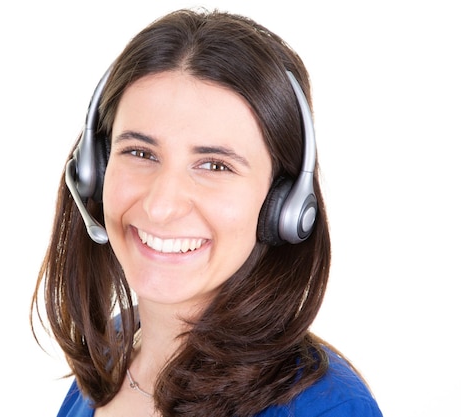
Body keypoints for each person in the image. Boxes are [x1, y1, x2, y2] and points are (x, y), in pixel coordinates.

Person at [31, 8, 383, 417]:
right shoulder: (112, 350)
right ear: (95, 171)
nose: (161, 206)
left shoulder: (325, 408)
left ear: (283, 204)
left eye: (215, 165)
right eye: (140, 153)